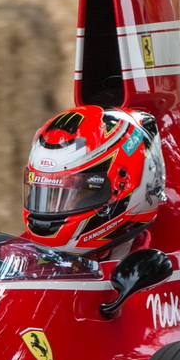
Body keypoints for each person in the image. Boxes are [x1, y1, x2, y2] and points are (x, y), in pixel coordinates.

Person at [23, 106, 166, 253]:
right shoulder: (18, 255)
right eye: (46, 193)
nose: (51, 207)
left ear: (123, 186)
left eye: (75, 192)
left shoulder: (158, 270)